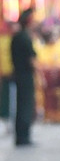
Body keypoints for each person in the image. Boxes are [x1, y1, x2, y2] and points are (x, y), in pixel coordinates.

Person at [10, 8, 36, 147]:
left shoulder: (17, 36)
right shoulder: (25, 37)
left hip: (18, 74)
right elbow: (31, 59)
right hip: (25, 76)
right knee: (25, 106)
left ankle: (20, 136)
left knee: (20, 106)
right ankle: (23, 136)